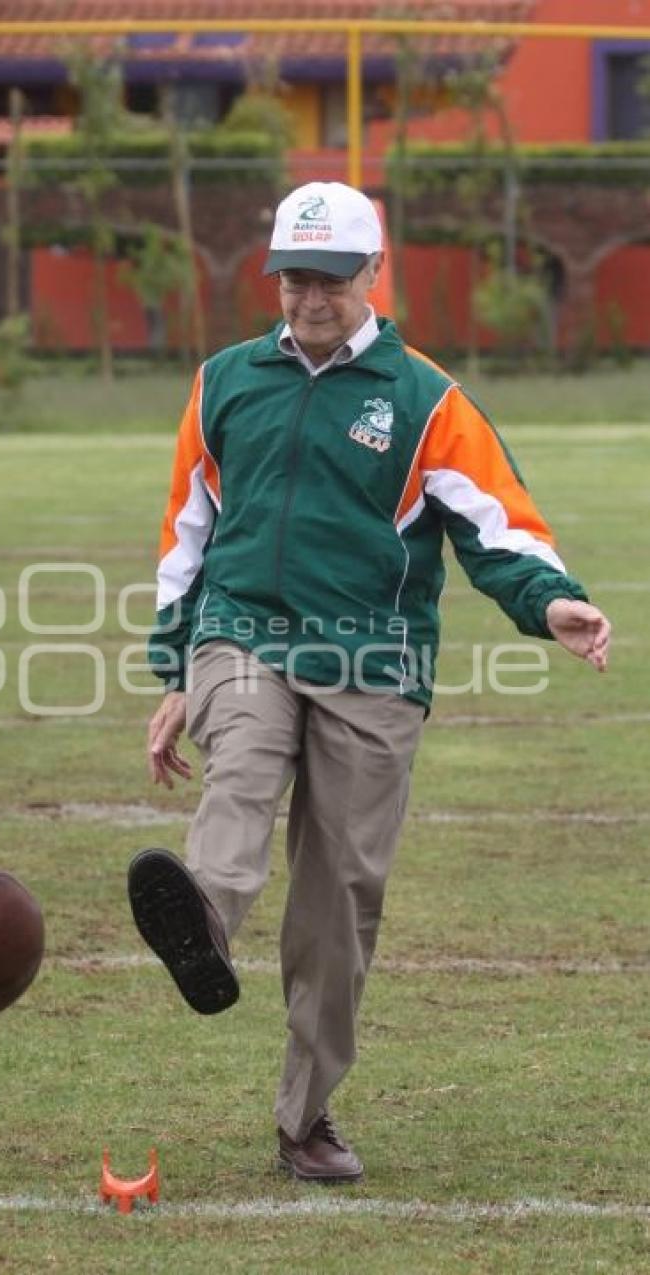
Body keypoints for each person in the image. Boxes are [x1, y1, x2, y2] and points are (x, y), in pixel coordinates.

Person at [127, 181, 611, 1184]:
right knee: (242, 769)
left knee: (339, 898)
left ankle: (306, 1117)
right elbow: (188, 533)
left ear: (371, 275)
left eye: (330, 280)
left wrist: (549, 601)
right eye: (294, 278)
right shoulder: (224, 382)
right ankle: (203, 920)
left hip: (372, 663)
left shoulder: (426, 397)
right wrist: (176, 668)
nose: (308, 298)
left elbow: (497, 525)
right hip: (243, 635)